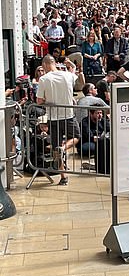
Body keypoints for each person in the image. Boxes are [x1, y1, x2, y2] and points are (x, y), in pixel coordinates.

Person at [36, 54, 80, 185]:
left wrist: (47, 101)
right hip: (68, 114)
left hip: (53, 117)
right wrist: (70, 63)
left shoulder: (44, 79)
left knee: (55, 146)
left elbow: (39, 101)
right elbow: (74, 72)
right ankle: (65, 147)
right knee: (76, 136)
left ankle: (63, 176)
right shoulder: (67, 75)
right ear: (55, 63)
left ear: (44, 65)